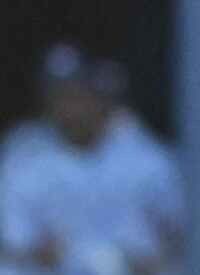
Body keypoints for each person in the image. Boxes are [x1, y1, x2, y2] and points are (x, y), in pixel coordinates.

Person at [0, 44, 182, 275]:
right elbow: (13, 244)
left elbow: (179, 230)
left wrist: (157, 260)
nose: (66, 108)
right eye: (57, 96)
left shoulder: (147, 155)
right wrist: (39, 252)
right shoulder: (25, 153)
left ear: (101, 97)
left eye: (75, 95)